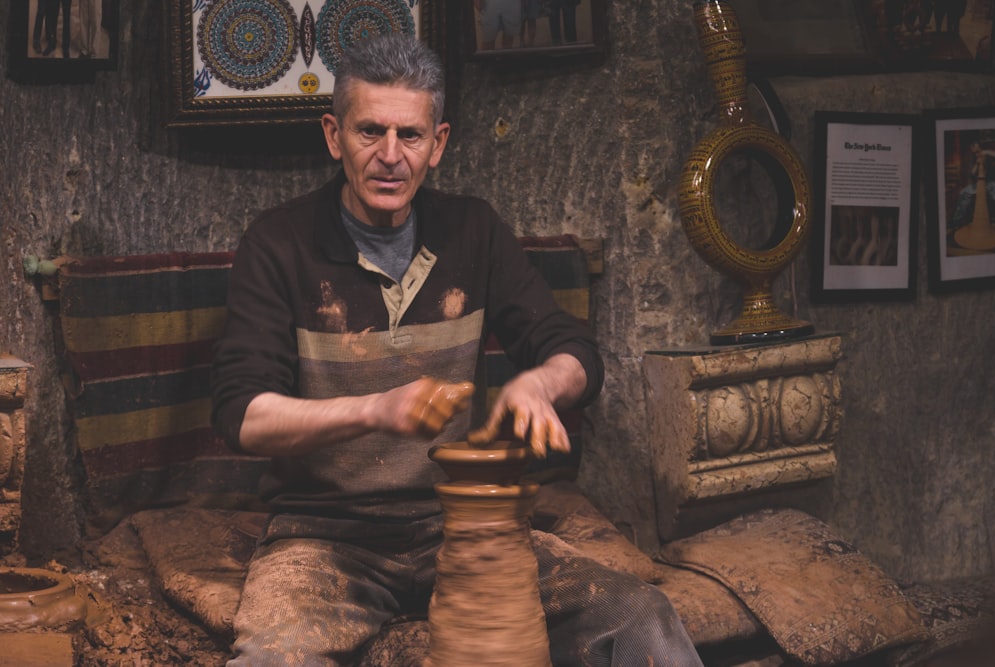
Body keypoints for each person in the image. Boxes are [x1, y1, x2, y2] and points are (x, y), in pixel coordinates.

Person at [211, 33, 703, 667]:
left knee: (640, 616)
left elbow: (573, 347)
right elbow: (241, 414)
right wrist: (373, 410)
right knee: (273, 659)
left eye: (410, 136)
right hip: (324, 537)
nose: (390, 156)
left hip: (466, 524)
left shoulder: (474, 231)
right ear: (334, 136)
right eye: (370, 133)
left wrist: (541, 384)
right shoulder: (278, 244)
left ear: (437, 143)